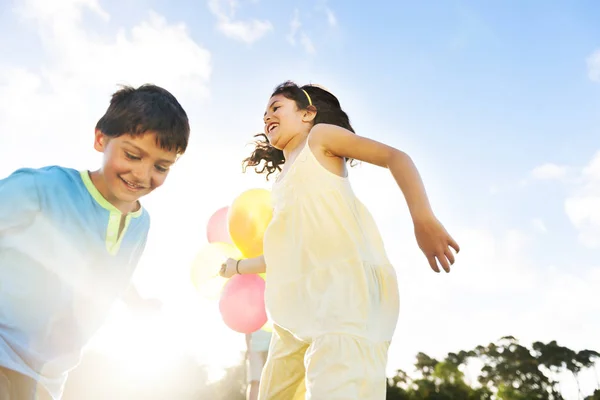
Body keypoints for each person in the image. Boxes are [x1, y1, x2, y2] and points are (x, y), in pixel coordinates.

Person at [220, 81, 460, 399]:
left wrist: (423, 218)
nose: (267, 117)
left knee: (338, 387)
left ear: (308, 113)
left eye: (275, 107)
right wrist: (237, 267)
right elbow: (281, 255)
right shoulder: (281, 185)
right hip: (294, 310)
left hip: (343, 296)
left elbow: (395, 157)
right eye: (264, 114)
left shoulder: (319, 139)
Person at [0, 84, 190, 400]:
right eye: (132, 155)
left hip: (48, 374)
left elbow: (110, 273)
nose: (143, 175)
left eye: (160, 167)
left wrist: (136, 304)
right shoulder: (41, 188)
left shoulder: (141, 225)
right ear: (101, 138)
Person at [245, 329, 272, 400]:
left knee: (256, 381)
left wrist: (248, 349)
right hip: (267, 346)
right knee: (256, 381)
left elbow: (247, 328)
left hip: (268, 346)